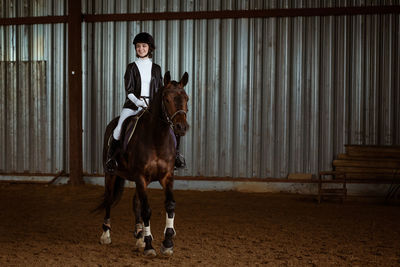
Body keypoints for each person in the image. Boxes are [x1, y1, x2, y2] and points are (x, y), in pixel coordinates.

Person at [105, 32, 186, 172]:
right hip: (132, 105)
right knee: (118, 129)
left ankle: (176, 156)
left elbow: (160, 89)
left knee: (172, 127)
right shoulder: (131, 67)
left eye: (143, 46)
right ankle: (112, 159)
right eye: (138, 46)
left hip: (152, 106)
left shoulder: (156, 69)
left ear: (150, 48)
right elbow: (129, 90)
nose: (140, 49)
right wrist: (138, 102)